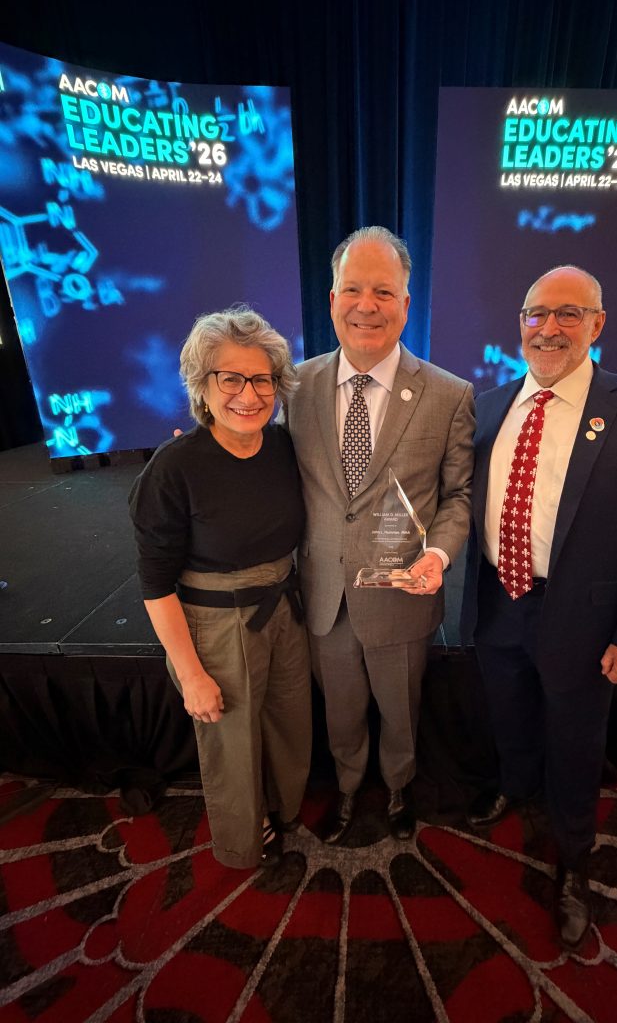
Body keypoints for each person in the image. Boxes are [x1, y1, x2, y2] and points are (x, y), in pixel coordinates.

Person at [460, 266, 617, 950]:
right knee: (510, 713)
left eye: (569, 313)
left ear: (598, 324)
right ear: (520, 324)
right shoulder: (489, 405)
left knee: (577, 743)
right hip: (500, 602)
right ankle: (515, 786)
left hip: (586, 620)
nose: (550, 327)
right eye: (537, 313)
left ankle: (574, 857)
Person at [281, 226, 474, 843]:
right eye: (353, 290)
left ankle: (397, 789)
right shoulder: (295, 387)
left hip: (401, 594)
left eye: (384, 292)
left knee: (400, 711)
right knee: (340, 713)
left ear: (406, 304)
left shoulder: (449, 395)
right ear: (332, 298)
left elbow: (459, 496)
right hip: (324, 594)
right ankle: (344, 788)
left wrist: (440, 553)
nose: (368, 305)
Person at [129, 306, 311, 869]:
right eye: (230, 378)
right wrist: (190, 676)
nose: (248, 395)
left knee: (289, 720)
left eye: (261, 379)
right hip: (214, 620)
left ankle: (285, 809)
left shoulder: (282, 446)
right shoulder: (173, 469)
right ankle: (240, 839)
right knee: (230, 741)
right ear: (201, 387)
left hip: (284, 605)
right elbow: (156, 585)